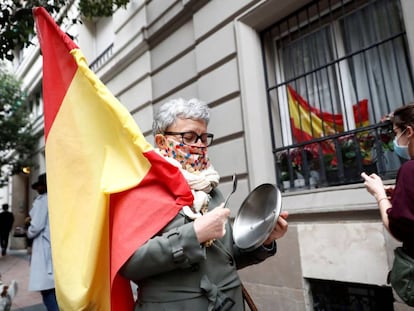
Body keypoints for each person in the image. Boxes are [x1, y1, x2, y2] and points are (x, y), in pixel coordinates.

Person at [120, 98, 289, 310]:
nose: (199, 145)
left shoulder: (209, 186)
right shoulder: (143, 187)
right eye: (189, 137)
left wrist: (264, 239)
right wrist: (194, 234)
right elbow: (129, 264)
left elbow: (225, 258)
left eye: (203, 137)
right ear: (162, 142)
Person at [361, 103, 414, 301]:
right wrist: (400, 196)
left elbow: (398, 228)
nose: (395, 140)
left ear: (409, 131)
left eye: (396, 132)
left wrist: (379, 195)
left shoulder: (410, 169)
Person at [27, 173, 59, 311]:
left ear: (44, 186)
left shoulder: (43, 200)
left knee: (47, 290)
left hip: (44, 246)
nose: (38, 189)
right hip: (54, 244)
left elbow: (36, 226)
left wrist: (28, 231)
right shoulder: (57, 199)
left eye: (39, 186)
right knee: (54, 289)